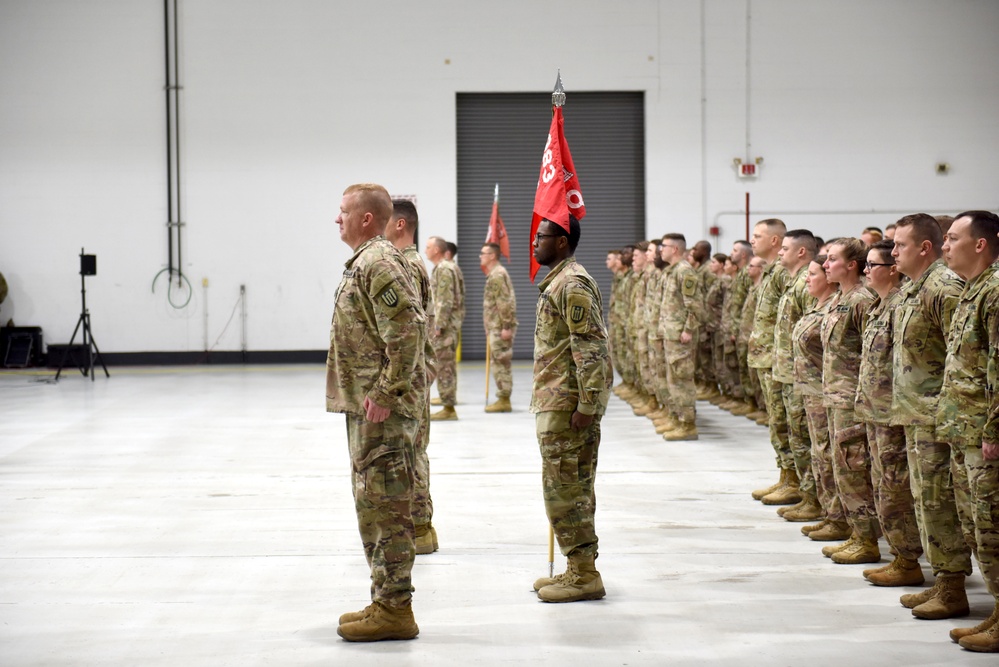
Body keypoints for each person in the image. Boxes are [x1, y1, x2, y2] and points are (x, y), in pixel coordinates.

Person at [326, 183, 427, 642]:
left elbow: (408, 329)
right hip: (370, 411)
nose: (337, 219)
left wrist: (386, 392)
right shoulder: (368, 261)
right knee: (375, 505)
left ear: (367, 218)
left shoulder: (377, 262)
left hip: (382, 412)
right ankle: (385, 599)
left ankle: (395, 609)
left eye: (343, 211)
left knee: (386, 507)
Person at [890, 213, 971, 620]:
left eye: (899, 245)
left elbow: (965, 355)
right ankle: (943, 580)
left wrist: (949, 414)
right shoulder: (913, 289)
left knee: (939, 503)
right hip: (916, 415)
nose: (892, 252)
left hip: (938, 416)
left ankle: (953, 587)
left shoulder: (944, 289)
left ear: (924, 247)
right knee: (926, 501)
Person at [529, 216, 612, 603]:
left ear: (561, 242)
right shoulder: (559, 282)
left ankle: (584, 574)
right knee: (565, 488)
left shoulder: (572, 284)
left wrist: (588, 404)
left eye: (541, 237)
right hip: (556, 401)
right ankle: (576, 566)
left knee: (567, 490)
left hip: (567, 405)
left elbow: (591, 347)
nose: (535, 243)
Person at [938, 210, 999, 651]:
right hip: (964, 428)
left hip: (985, 435)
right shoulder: (972, 291)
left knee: (993, 528)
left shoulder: (995, 292)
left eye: (953, 238)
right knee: (977, 527)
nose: (944, 245)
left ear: (980, 244)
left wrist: (994, 431)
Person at [855, 239, 923, 584]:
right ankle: (901, 556)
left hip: (894, 414)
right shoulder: (879, 307)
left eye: (872, 265)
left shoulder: (901, 306)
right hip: (875, 412)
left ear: (892, 270)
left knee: (896, 489)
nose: (866, 271)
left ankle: (908, 560)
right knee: (884, 486)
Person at [820, 238, 880, 564]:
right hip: (835, 394)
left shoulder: (862, 300)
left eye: (832, 259)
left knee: (854, 467)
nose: (826, 265)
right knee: (842, 466)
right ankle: (856, 532)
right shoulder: (839, 298)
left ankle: (867, 539)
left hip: (852, 399)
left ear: (851, 265)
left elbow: (873, 353)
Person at [386, 200, 439, 555]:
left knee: (411, 450)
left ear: (401, 224)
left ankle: (420, 528)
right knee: (414, 448)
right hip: (418, 368)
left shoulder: (407, 264)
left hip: (413, 372)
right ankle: (421, 525)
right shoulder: (412, 263)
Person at [793, 256, 847, 540]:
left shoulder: (837, 307)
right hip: (813, 390)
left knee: (829, 455)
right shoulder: (818, 306)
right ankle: (828, 511)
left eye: (813, 273)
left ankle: (838, 517)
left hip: (828, 392)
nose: (808, 279)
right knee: (819, 453)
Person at [771, 230, 819, 515]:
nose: (780, 252)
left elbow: (812, 335)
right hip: (788, 372)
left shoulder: (805, 284)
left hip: (801, 375)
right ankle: (800, 488)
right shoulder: (794, 282)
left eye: (785, 248)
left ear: (801, 252)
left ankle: (812, 497)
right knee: (793, 433)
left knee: (803, 436)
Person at [748, 219, 796, 502]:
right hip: (767, 357)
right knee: (776, 422)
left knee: (783, 422)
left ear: (775, 240)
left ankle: (794, 481)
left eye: (758, 236)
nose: (752, 240)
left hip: (778, 359)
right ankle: (785, 476)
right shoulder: (772, 270)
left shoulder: (782, 273)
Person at [658, 233, 702, 440]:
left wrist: (688, 330)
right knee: (673, 379)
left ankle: (688, 425)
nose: (661, 250)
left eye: (664, 246)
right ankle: (676, 418)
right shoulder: (671, 271)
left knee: (682, 379)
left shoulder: (685, 272)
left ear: (674, 249)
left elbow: (694, 304)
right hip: (671, 334)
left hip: (680, 336)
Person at [426, 236, 464, 420]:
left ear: (436, 250)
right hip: (450, 324)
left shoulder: (443, 269)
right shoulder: (446, 267)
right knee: (445, 365)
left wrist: (438, 325)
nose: (425, 250)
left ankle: (449, 408)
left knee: (444, 366)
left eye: (428, 247)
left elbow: (444, 300)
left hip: (446, 326)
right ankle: (446, 400)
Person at [480, 242, 518, 413]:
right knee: (498, 361)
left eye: (483, 253)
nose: (480, 256)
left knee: (501, 362)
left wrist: (506, 326)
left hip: (500, 326)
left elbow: (504, 302)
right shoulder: (495, 273)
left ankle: (504, 399)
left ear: (492, 256)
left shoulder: (497, 275)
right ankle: (503, 397)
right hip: (495, 325)